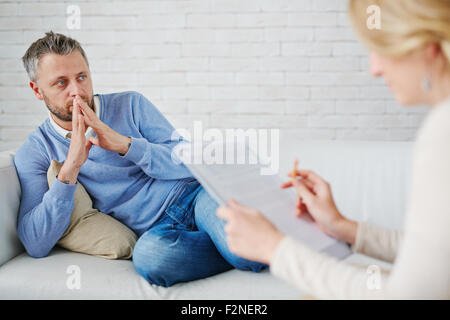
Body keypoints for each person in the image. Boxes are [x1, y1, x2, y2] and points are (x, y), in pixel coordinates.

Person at [217, 0, 450, 299]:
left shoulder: (442, 131)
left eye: (381, 48)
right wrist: (342, 227)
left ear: (426, 44)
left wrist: (273, 248)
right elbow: (435, 258)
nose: (374, 69)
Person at [14, 31, 265, 287]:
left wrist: (126, 145)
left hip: (194, 196)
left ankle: (244, 247)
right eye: (61, 83)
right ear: (37, 90)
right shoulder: (35, 151)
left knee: (246, 252)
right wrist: (71, 168)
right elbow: (35, 242)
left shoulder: (131, 104)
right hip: (156, 233)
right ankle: (241, 247)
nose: (77, 91)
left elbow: (187, 159)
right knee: (151, 258)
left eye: (82, 77)